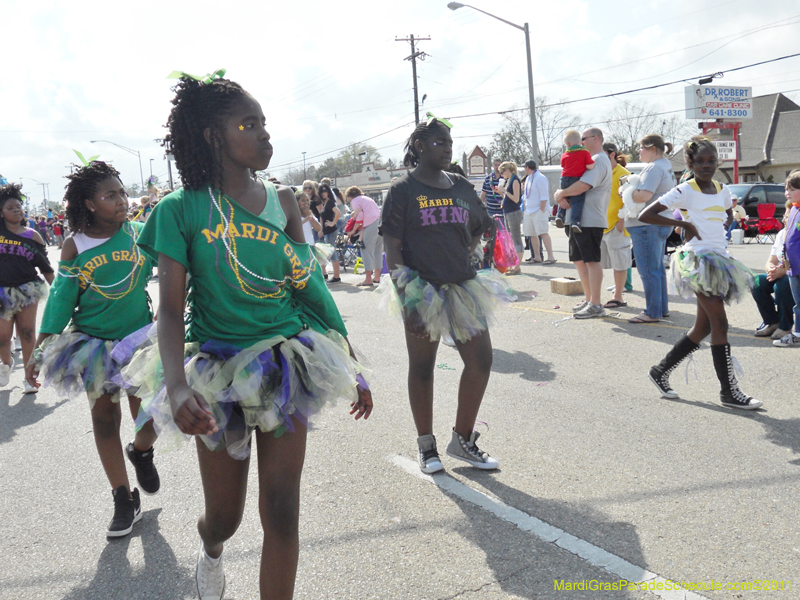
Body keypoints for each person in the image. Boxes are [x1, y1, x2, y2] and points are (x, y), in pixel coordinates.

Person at [118, 74, 372, 600]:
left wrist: (350, 360)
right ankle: (210, 553)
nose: (263, 135)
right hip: (216, 372)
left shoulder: (284, 201)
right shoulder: (180, 209)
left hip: (285, 366)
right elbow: (168, 310)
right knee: (225, 519)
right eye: (247, 124)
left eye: (264, 124)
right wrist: (177, 385)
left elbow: (311, 290)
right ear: (212, 136)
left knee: (282, 511)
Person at [25, 161, 162, 536]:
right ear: (88, 203)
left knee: (150, 415)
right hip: (94, 347)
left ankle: (142, 450)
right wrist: (42, 346)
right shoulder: (76, 245)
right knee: (104, 422)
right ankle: (122, 498)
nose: (121, 200)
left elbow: (174, 266)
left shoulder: (139, 234)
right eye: (110, 195)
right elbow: (62, 299)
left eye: (122, 193)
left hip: (140, 343)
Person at [378, 118, 514, 474]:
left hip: (463, 287)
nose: (448, 148)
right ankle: (427, 446)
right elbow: (391, 246)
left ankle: (462, 440)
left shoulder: (462, 185)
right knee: (422, 368)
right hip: (421, 290)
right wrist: (407, 296)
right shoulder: (402, 189)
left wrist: (468, 251)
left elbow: (481, 226)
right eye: (440, 143)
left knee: (481, 361)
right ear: (420, 147)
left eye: (450, 143)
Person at [641, 138, 761, 409]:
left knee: (704, 326)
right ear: (691, 164)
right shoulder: (685, 189)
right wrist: (684, 224)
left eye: (711, 161)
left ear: (718, 162)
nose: (707, 166)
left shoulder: (722, 188)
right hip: (697, 262)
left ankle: (660, 371)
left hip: (720, 261)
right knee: (721, 325)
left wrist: (725, 222)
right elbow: (647, 214)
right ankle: (729, 392)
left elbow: (727, 213)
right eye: (700, 162)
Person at [0, 183, 54, 392]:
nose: (16, 210)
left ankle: (28, 376)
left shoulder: (33, 235)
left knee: (28, 333)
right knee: (3, 336)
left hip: (27, 289)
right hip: (1, 291)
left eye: (19, 207)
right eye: (10, 208)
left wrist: (60, 295)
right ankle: (5, 365)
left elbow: (46, 268)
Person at [553, 127, 612, 319]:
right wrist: (561, 195)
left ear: (595, 139)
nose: (581, 142)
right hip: (578, 219)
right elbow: (572, 184)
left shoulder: (599, 160)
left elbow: (583, 186)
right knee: (579, 260)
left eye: (584, 139)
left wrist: (561, 193)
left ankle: (596, 304)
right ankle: (589, 300)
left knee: (592, 261)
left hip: (590, 219)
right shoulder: (589, 159)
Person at [625, 133, 677, 323]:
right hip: (661, 222)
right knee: (656, 269)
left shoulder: (653, 167)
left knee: (648, 270)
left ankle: (652, 312)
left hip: (647, 225)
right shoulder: (665, 165)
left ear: (652, 148)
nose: (638, 151)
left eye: (641, 147)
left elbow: (644, 195)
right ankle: (660, 309)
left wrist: (625, 190)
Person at [752, 200, 794, 340]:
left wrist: (783, 271)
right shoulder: (782, 233)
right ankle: (772, 322)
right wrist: (771, 270)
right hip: (781, 271)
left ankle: (785, 326)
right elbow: (771, 260)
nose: (783, 219)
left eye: (787, 215)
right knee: (756, 282)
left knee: (782, 285)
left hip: (794, 274)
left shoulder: (797, 234)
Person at [601, 143, 633, 308]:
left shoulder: (623, 174)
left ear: (612, 154)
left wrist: (621, 223)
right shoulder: (603, 172)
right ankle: (614, 293)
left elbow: (629, 201)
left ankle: (618, 296)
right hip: (603, 224)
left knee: (620, 264)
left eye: (602, 153)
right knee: (610, 264)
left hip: (616, 225)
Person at [773, 170, 800, 348]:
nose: (787, 193)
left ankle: (797, 333)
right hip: (792, 267)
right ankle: (797, 333)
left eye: (792, 189)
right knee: (798, 304)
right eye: (785, 189)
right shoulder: (793, 209)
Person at [554, 129, 595, 232]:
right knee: (578, 201)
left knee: (563, 196)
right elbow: (590, 166)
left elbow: (562, 165)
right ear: (581, 142)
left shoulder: (565, 154)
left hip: (564, 179)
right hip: (576, 179)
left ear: (568, 143)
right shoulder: (584, 152)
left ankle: (560, 215)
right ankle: (575, 222)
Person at [345, 186, 383, 286]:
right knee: (377, 250)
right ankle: (377, 276)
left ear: (350, 196)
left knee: (365, 250)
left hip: (371, 224)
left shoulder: (355, 201)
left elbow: (360, 216)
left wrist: (353, 230)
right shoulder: (367, 198)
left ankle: (368, 279)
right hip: (380, 222)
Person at [521, 160, 556, 264]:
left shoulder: (540, 178)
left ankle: (551, 257)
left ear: (527, 167)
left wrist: (541, 210)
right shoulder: (528, 179)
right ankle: (537, 257)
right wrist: (526, 210)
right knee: (531, 234)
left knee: (543, 232)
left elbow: (544, 196)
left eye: (524, 167)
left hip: (539, 210)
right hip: (529, 211)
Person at [495, 161, 523, 275]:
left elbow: (516, 199)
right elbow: (507, 197)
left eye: (502, 172)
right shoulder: (508, 181)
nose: (501, 174)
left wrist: (505, 191)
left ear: (508, 170)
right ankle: (513, 264)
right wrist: (500, 192)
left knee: (516, 238)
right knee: (510, 238)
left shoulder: (515, 180)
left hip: (514, 212)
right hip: (507, 211)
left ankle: (517, 267)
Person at [318, 182, 342, 283]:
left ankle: (336, 276)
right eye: (322, 191)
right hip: (327, 231)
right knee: (330, 253)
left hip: (331, 231)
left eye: (325, 191)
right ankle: (336, 276)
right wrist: (321, 229)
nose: (323, 193)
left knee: (332, 253)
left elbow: (338, 212)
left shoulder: (330, 202)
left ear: (328, 192)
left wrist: (333, 223)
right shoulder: (325, 203)